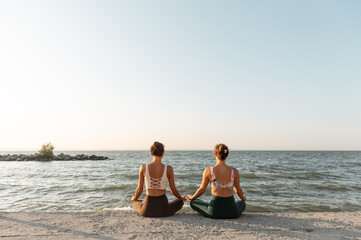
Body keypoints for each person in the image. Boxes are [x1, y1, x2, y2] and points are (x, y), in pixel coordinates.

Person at [188, 144, 247, 219]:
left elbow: (202, 190)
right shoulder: (234, 171)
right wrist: (243, 198)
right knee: (242, 203)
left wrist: (192, 197)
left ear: (215, 154)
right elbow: (238, 190)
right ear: (227, 155)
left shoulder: (208, 170)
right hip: (232, 212)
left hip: (214, 211)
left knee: (193, 202)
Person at [132, 141, 186, 217]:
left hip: (147, 210)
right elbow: (173, 190)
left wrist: (134, 198)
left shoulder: (143, 167)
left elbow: (139, 189)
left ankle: (142, 203)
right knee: (180, 202)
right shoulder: (169, 169)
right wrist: (181, 198)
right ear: (163, 153)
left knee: (135, 202)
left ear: (151, 152)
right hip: (164, 210)